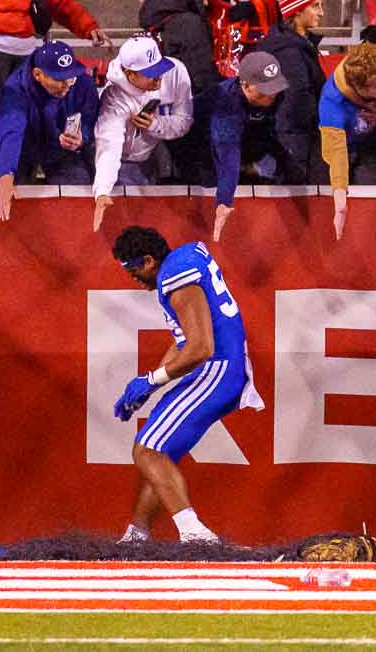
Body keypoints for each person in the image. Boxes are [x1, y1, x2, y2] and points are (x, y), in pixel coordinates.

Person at [109, 225, 262, 545]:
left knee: (147, 449)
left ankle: (196, 534)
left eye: (131, 268)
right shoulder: (186, 258)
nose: (132, 278)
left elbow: (201, 347)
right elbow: (184, 342)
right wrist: (150, 385)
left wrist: (151, 380)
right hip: (221, 367)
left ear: (148, 261)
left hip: (215, 368)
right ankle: (136, 537)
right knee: (159, 452)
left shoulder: (174, 276)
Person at [91, 35, 193, 231]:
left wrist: (155, 125)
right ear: (130, 74)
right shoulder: (114, 99)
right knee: (135, 216)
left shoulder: (176, 71)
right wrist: (102, 191)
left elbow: (185, 121)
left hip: (160, 145)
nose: (159, 77)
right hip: (127, 158)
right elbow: (109, 146)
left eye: (159, 67)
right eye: (150, 73)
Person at [194, 50, 296, 241]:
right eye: (266, 89)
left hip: (249, 138)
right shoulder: (225, 105)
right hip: (200, 147)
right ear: (245, 85)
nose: (273, 94)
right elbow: (227, 158)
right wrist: (223, 202)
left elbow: (282, 130)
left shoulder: (275, 95)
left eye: (275, 87)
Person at [0, 39, 97, 220]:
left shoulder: (82, 81)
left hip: (64, 152)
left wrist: (83, 137)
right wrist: (5, 175)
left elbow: (92, 118)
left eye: (70, 78)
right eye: (59, 80)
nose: (66, 86)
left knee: (77, 198)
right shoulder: (15, 88)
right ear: (38, 74)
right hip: (24, 149)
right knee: (14, 200)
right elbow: (11, 130)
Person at [320, 42, 376, 238]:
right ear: (360, 88)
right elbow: (336, 155)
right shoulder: (332, 102)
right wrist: (340, 205)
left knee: (371, 195)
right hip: (346, 146)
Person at [248, 0, 325, 187]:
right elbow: (297, 101)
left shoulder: (291, 45)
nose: (322, 12)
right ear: (297, 10)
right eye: (315, 6)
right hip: (295, 141)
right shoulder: (290, 52)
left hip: (289, 137)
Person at [137, 0, 218, 96]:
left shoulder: (158, 12)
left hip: (164, 94)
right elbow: (202, 74)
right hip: (189, 99)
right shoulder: (190, 22)